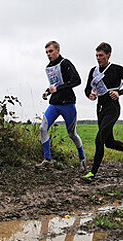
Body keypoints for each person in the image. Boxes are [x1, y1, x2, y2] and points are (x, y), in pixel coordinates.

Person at [82, 42, 123, 183]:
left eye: (101, 55)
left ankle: (92, 173)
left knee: (99, 139)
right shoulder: (93, 71)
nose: (98, 58)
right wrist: (90, 95)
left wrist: (119, 92)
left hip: (112, 108)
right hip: (100, 108)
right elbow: (86, 89)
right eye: (96, 55)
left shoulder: (117, 69)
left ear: (108, 55)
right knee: (109, 142)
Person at [39, 41, 86, 171]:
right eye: (47, 52)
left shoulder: (65, 63)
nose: (48, 54)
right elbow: (54, 85)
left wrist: (58, 88)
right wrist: (47, 92)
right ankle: (47, 159)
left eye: (51, 51)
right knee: (43, 128)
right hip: (54, 104)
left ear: (58, 50)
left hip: (68, 103)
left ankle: (82, 158)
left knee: (71, 133)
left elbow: (77, 80)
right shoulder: (48, 67)